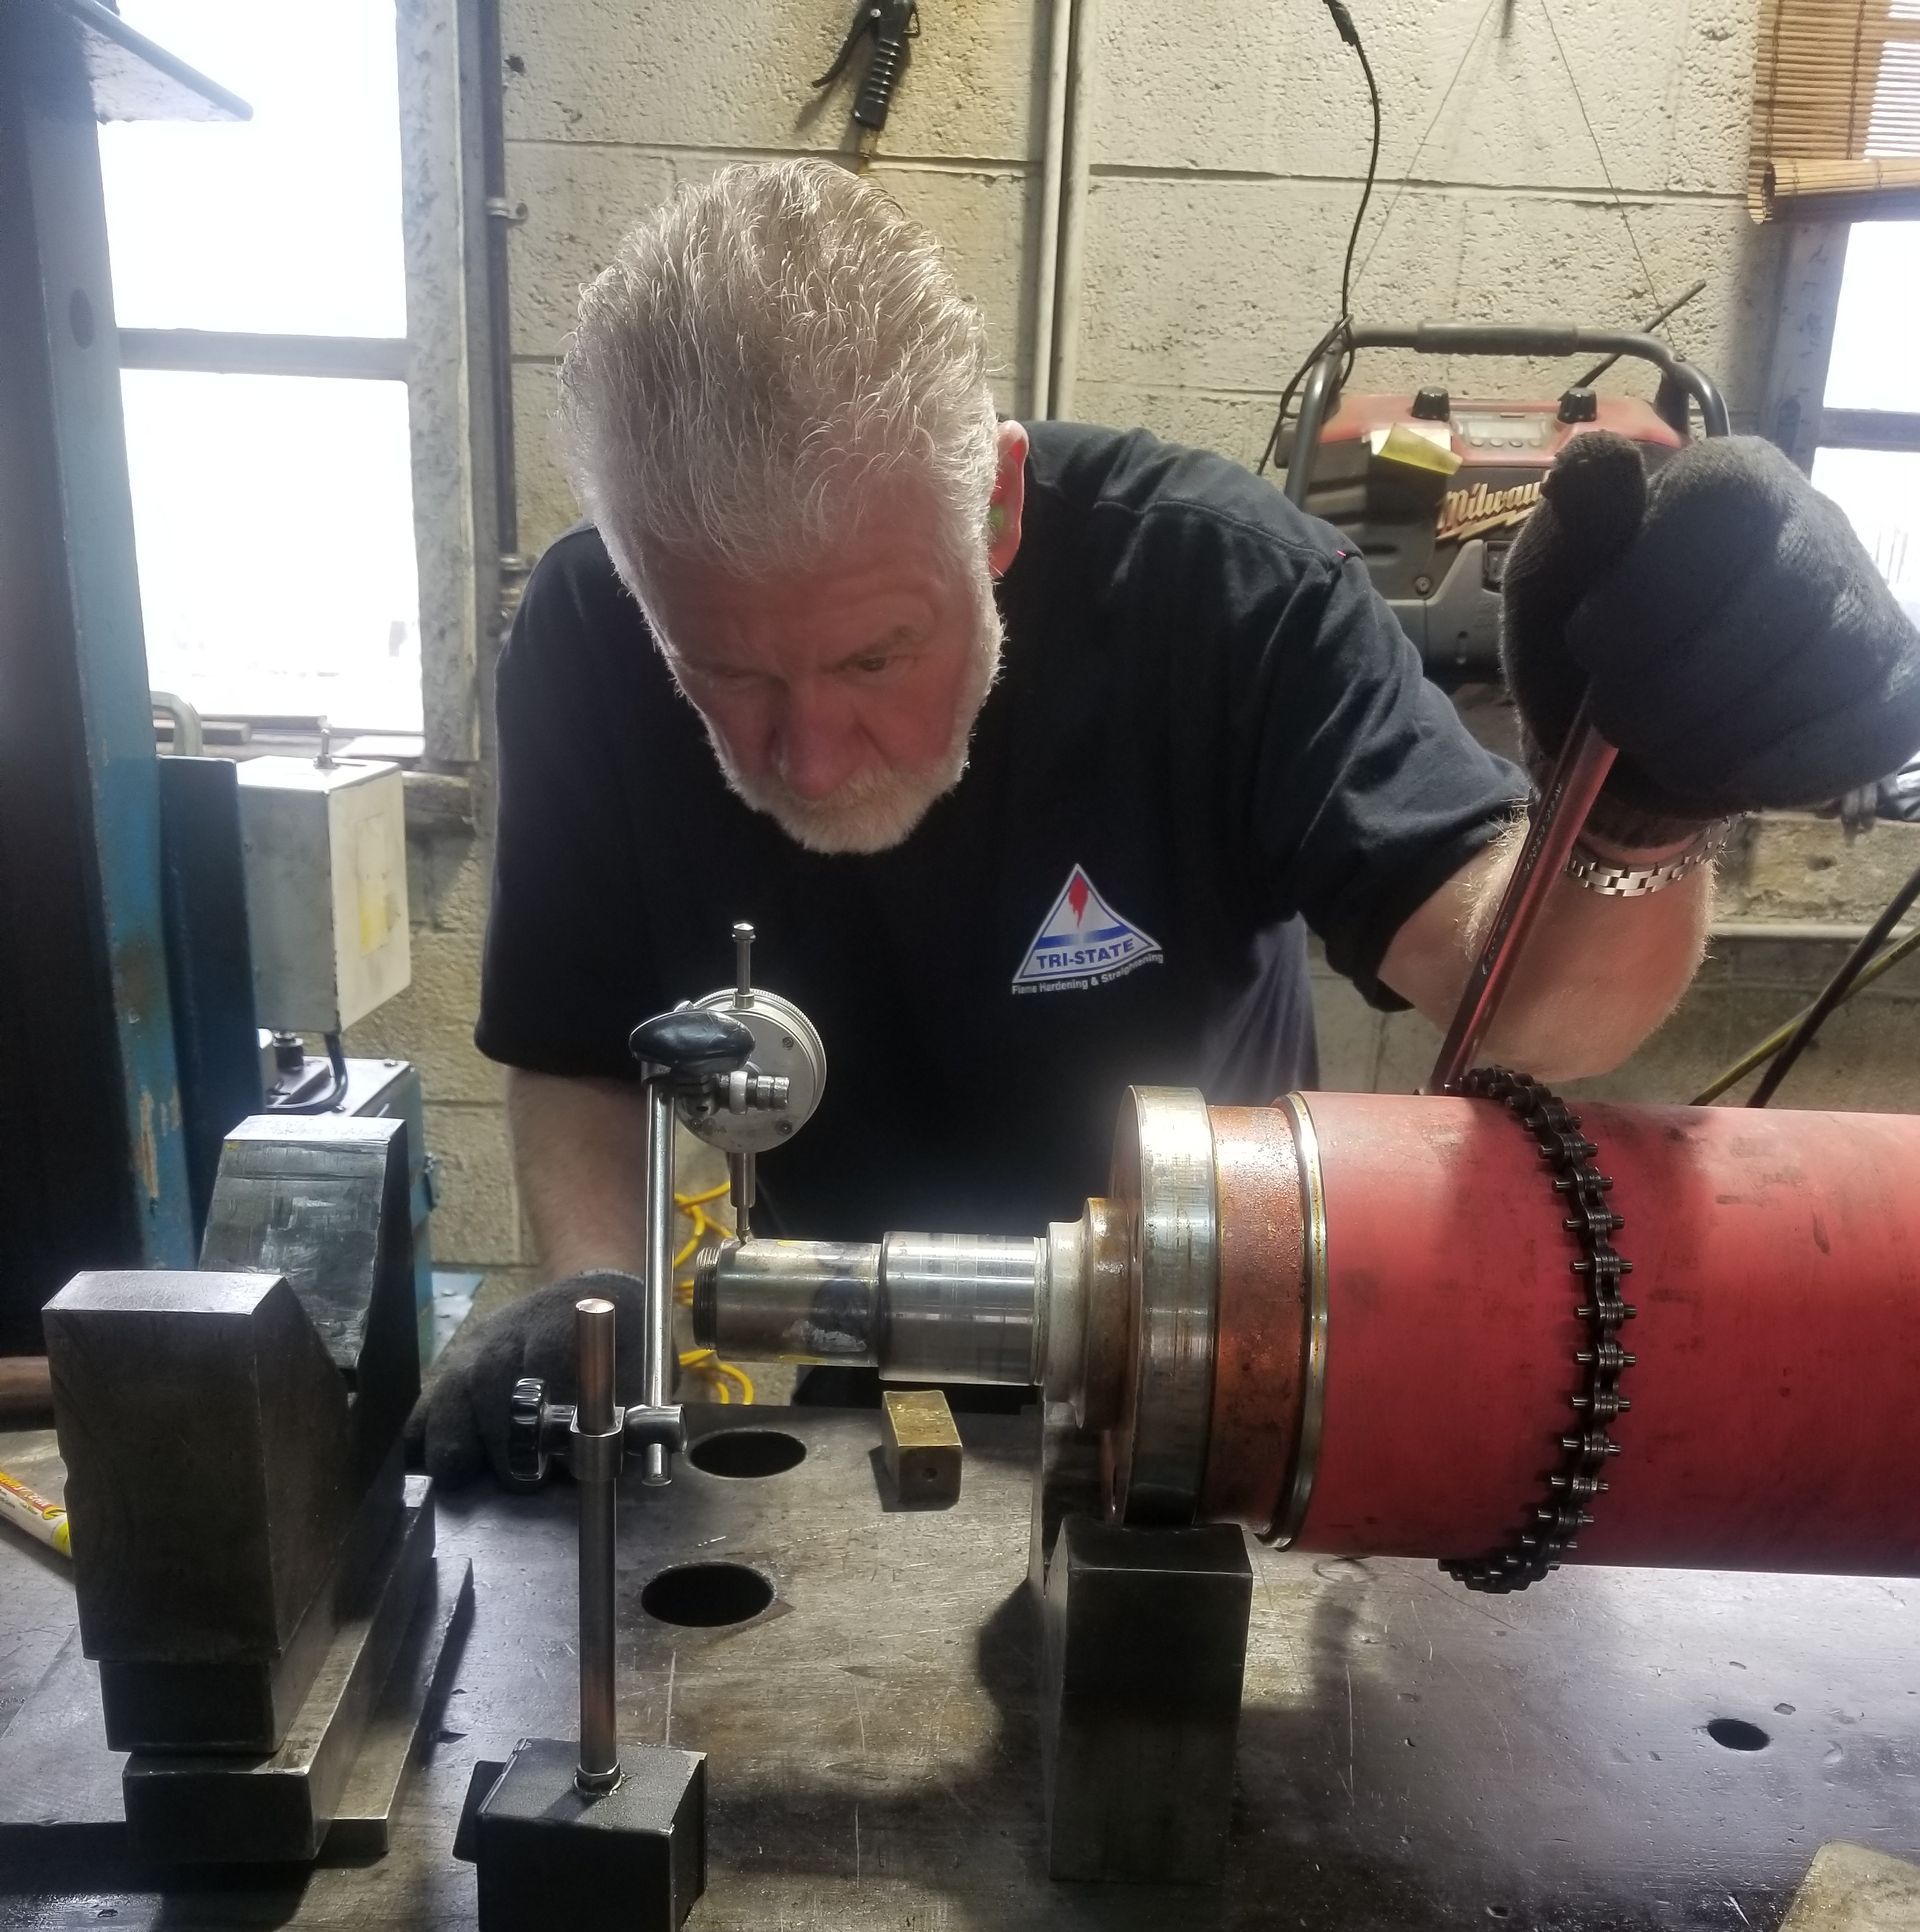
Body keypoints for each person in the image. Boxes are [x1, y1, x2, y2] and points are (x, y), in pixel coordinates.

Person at [410, 159, 1920, 1486]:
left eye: (875, 656)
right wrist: (600, 1299)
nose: (805, 754)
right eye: (724, 674)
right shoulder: (591, 629)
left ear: (994, 512)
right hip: (859, 1377)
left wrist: (1645, 811)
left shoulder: (1222, 593)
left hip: (1246, 1377)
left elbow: (1534, 1007)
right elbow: (571, 1041)